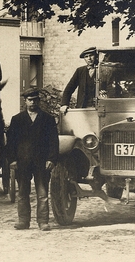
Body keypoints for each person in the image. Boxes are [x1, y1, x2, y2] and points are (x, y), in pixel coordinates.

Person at [6, 88, 60, 230]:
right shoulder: (17, 120)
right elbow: (11, 142)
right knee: (23, 193)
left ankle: (43, 222)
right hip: (23, 163)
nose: (33, 102)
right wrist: (12, 160)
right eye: (30, 100)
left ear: (39, 101)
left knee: (42, 194)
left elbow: (54, 141)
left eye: (35, 100)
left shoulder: (47, 119)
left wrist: (51, 159)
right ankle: (23, 221)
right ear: (25, 101)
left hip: (41, 163)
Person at [60, 47, 99, 112]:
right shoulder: (80, 71)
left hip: (98, 108)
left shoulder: (101, 71)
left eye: (91, 55)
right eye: (86, 56)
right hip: (82, 108)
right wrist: (64, 104)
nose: (89, 58)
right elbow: (69, 89)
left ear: (96, 56)